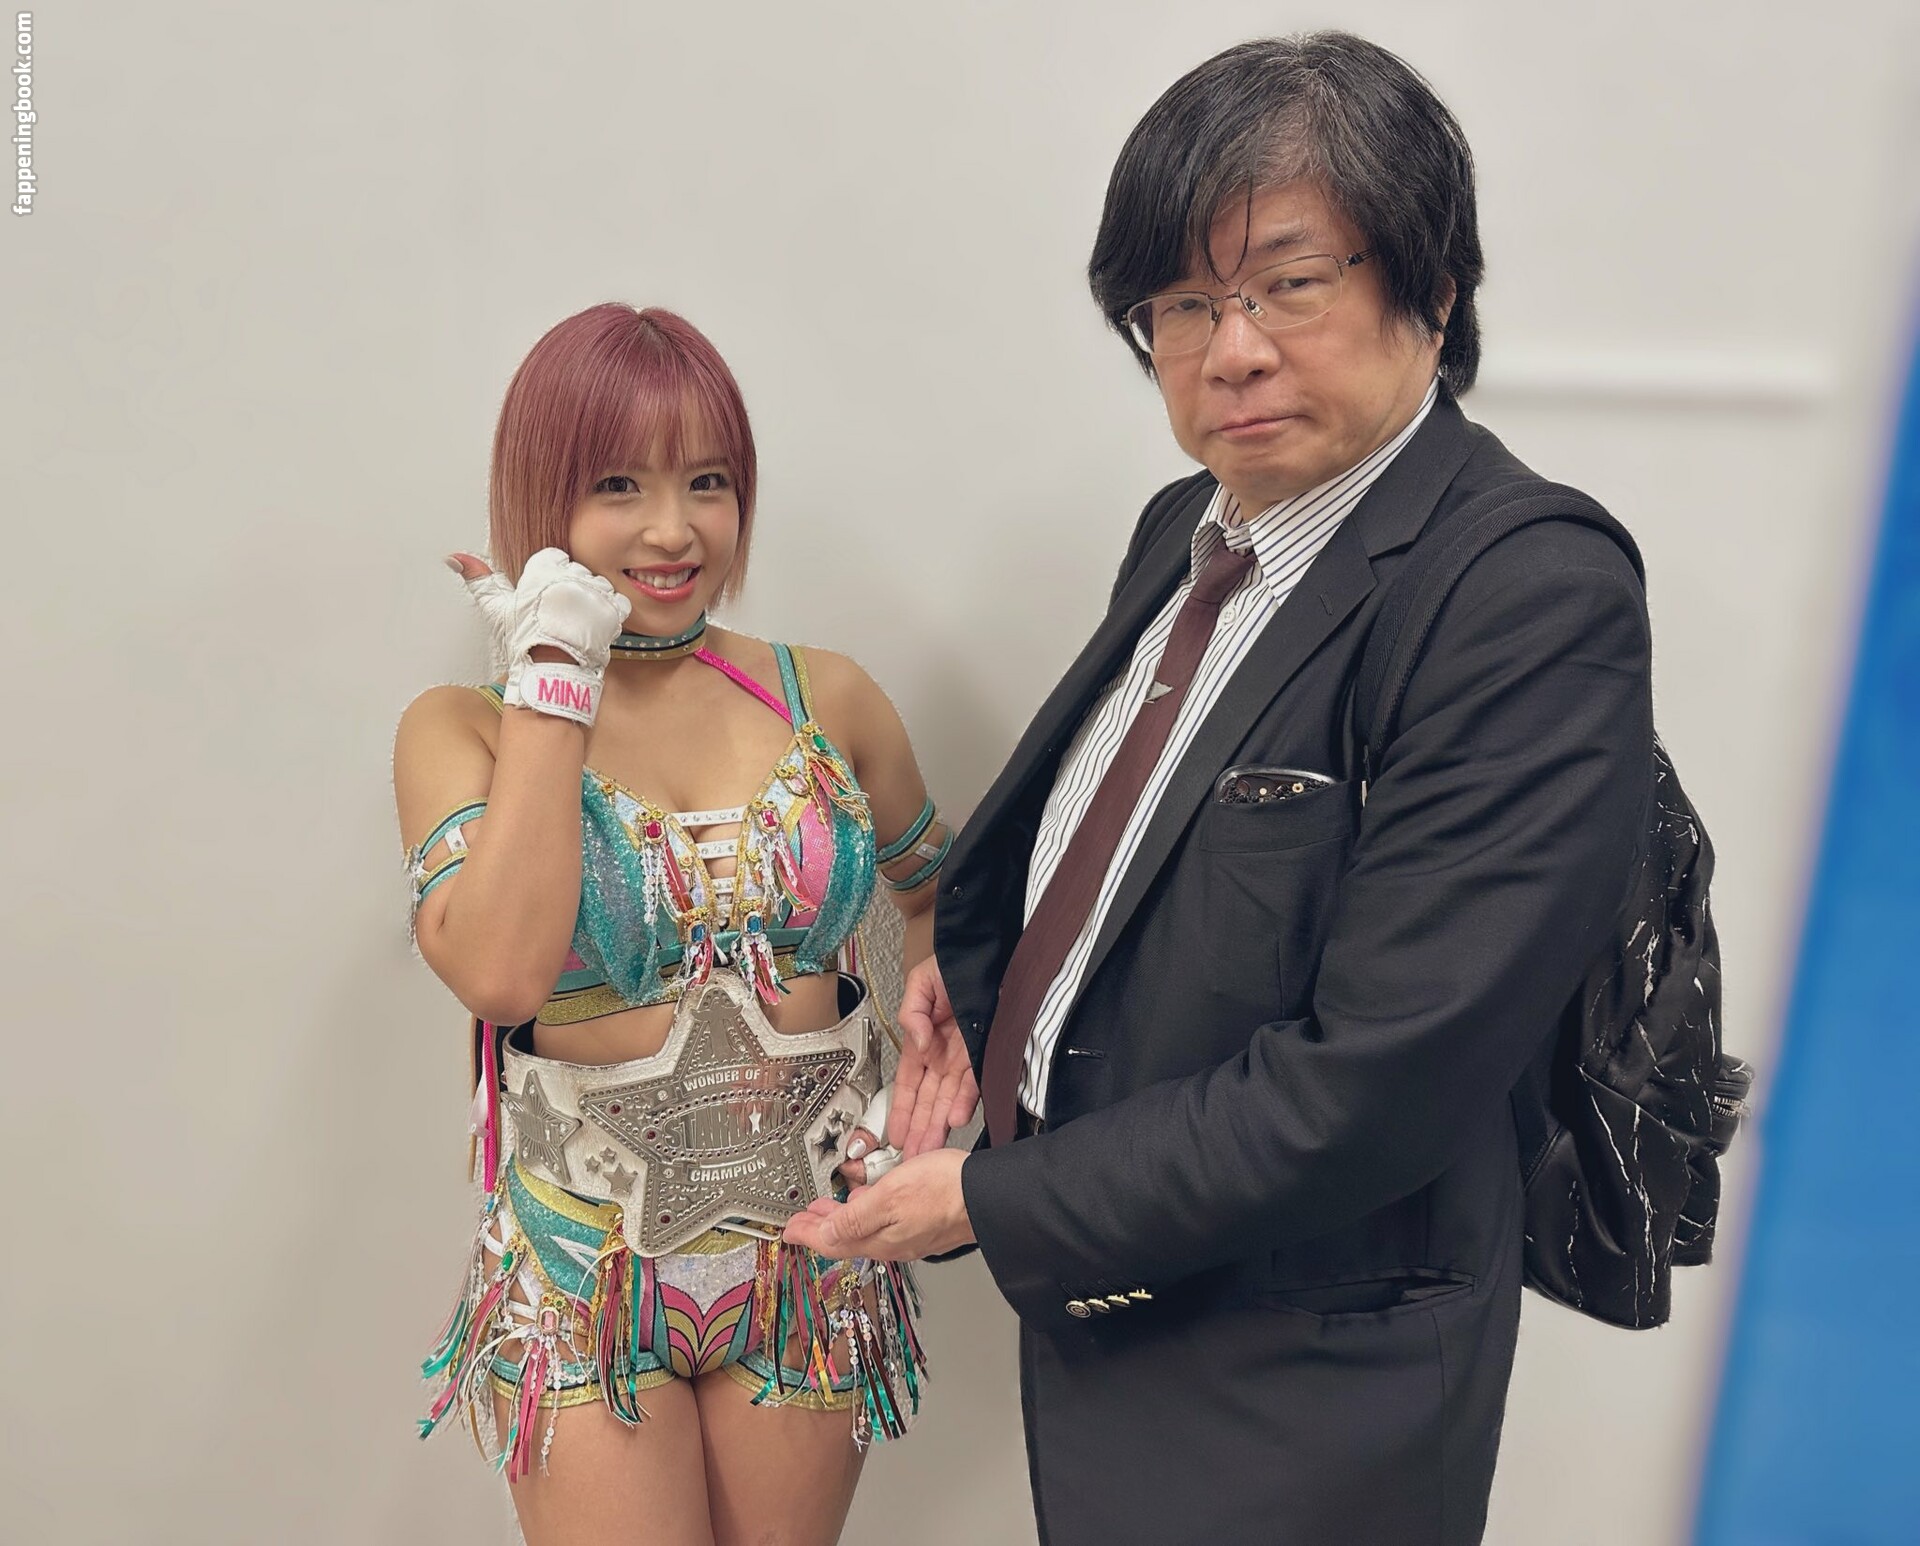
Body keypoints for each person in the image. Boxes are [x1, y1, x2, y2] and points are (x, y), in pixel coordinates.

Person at [782, 32, 1657, 1545]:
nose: (1229, 350)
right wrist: (986, 1007)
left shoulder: (1523, 590)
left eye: (1288, 285)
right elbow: (1142, 870)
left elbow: (1376, 1080)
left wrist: (990, 1204)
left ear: (1437, 291)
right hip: (1120, 1317)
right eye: (1181, 305)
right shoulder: (1186, 525)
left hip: (1308, 1381)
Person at [395, 303, 951, 1546]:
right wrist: (554, 680)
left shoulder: (826, 693)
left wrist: (926, 1033)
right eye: (618, 484)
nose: (672, 529)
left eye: (708, 481)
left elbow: (938, 895)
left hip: (810, 1254)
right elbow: (499, 973)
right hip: (580, 1270)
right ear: (541, 490)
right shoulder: (462, 728)